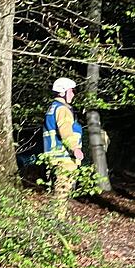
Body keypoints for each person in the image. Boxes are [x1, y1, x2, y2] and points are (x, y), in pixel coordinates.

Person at [43, 77, 84, 218]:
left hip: (54, 157)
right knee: (62, 192)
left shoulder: (53, 108)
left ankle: (55, 219)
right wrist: (75, 149)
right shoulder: (62, 109)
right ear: (63, 92)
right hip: (64, 157)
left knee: (57, 191)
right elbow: (66, 130)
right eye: (72, 91)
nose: (73, 94)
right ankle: (58, 222)